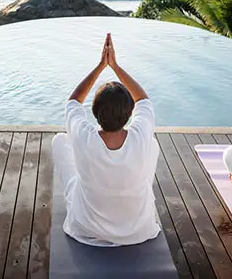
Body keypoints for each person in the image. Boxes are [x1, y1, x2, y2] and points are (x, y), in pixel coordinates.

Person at [52, 33, 160, 246]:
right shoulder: (140, 135)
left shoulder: (84, 136)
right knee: (153, 144)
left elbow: (73, 101)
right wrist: (115, 66)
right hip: (138, 229)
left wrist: (101, 66)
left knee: (60, 141)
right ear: (129, 115)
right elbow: (143, 100)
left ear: (95, 112)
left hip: (87, 228)